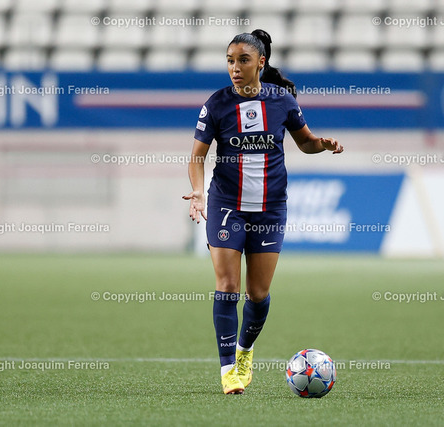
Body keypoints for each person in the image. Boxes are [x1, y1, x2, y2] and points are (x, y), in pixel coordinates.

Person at [183, 29, 343, 395]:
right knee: (228, 286)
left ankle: (244, 351)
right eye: (230, 61)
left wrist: (322, 144)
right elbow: (196, 157)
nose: (235, 68)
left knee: (257, 294)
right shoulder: (216, 104)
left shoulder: (282, 101)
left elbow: (305, 143)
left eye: (243, 60)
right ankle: (228, 370)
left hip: (270, 209)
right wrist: (198, 192)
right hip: (227, 205)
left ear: (261, 62)